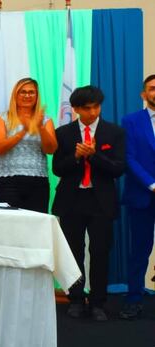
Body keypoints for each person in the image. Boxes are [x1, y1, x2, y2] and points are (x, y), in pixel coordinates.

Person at [52, 86, 125, 321]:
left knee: (100, 251)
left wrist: (94, 155)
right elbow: (57, 169)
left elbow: (118, 169)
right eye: (87, 108)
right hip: (72, 200)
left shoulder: (114, 132)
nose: (93, 112)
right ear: (75, 109)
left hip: (101, 200)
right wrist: (75, 157)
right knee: (73, 252)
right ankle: (75, 298)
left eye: (96, 107)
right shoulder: (63, 133)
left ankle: (98, 302)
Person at [0, 77, 58, 212]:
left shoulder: (46, 120)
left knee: (36, 225)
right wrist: (23, 132)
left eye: (31, 92)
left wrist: (41, 128)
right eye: (23, 92)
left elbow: (51, 149)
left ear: (37, 96)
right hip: (8, 181)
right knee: (9, 224)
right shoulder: (2, 118)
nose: (27, 95)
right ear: (15, 95)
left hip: (38, 181)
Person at [119, 74, 155, 320]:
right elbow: (129, 157)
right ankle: (133, 299)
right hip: (142, 195)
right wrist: (152, 184)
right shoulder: (130, 121)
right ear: (144, 94)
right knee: (139, 250)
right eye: (153, 88)